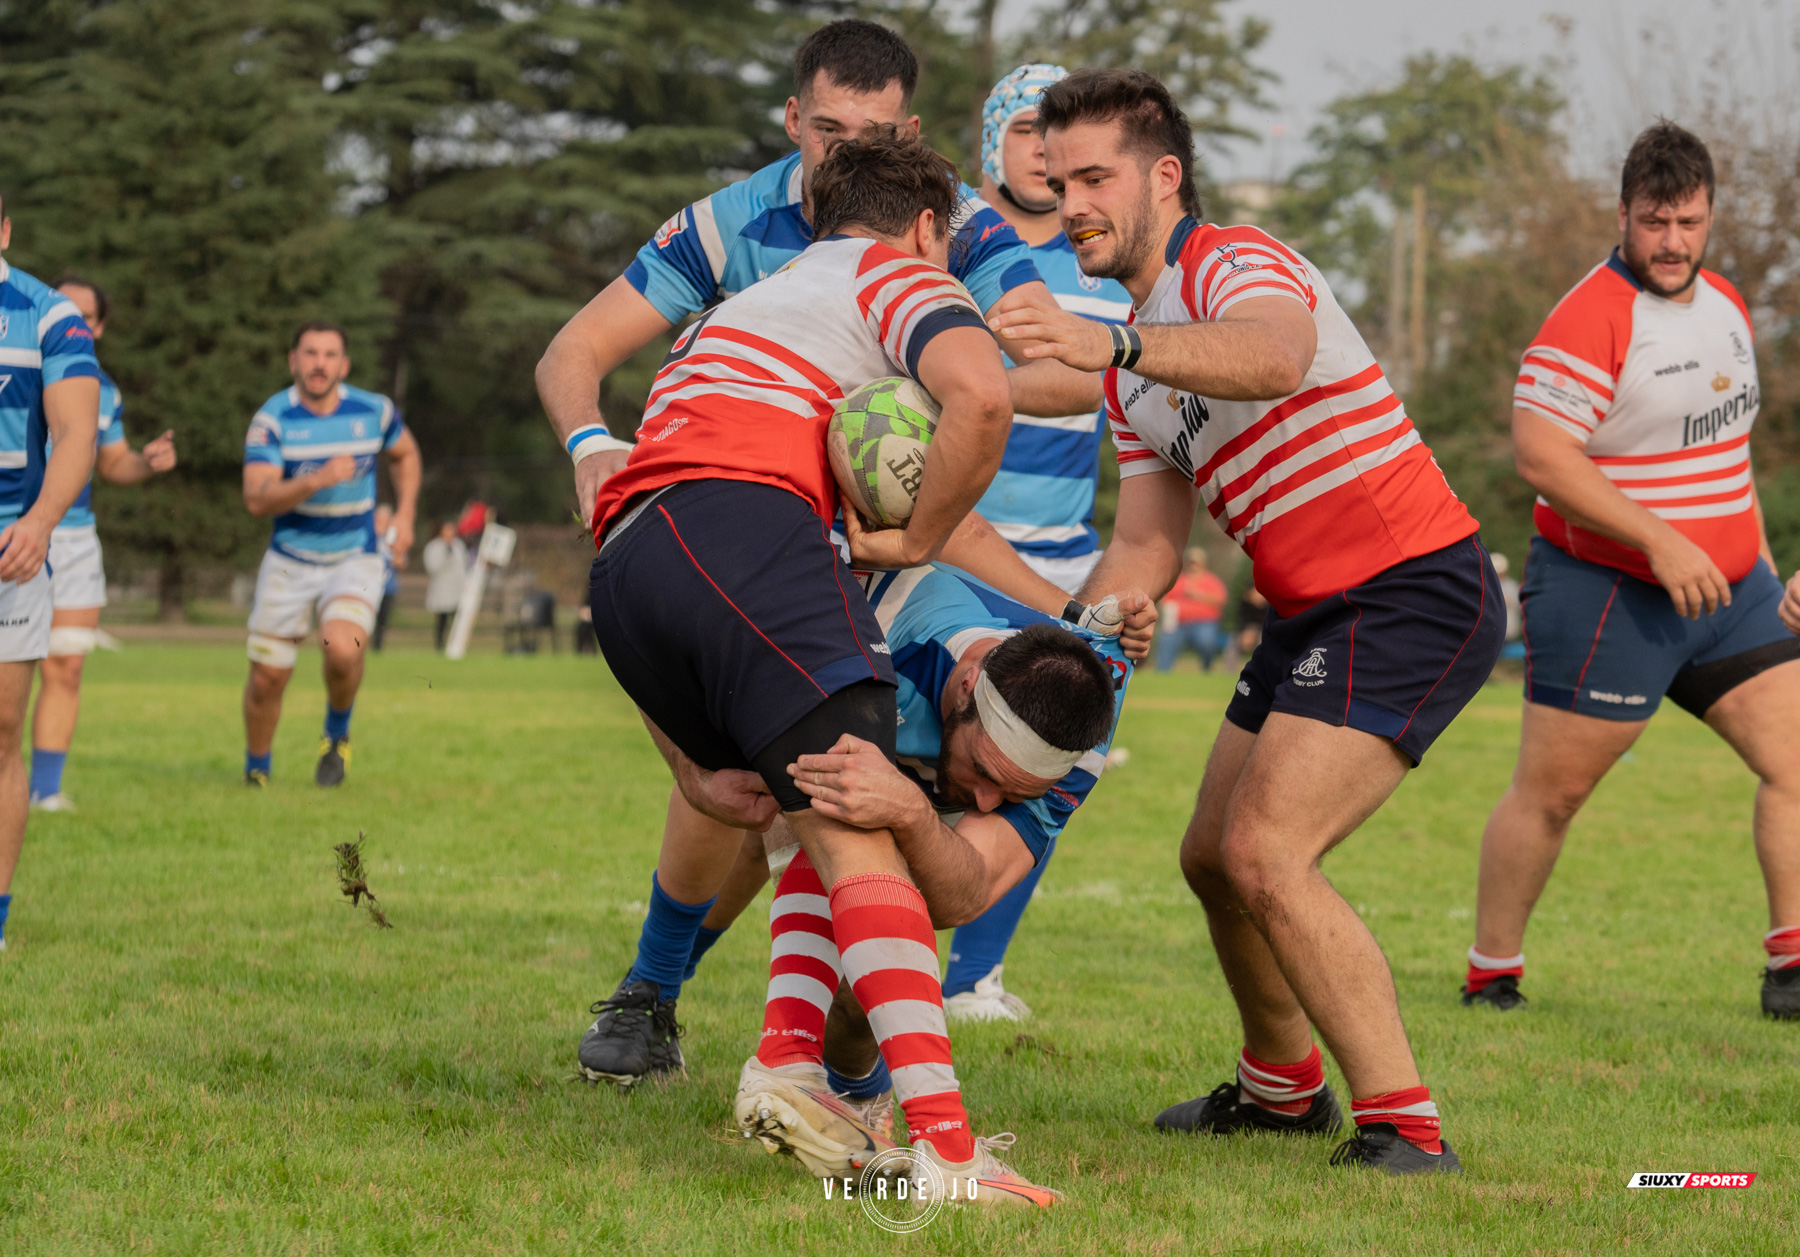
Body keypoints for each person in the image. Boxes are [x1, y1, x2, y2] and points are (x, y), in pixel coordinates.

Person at [539, 18, 1126, 1099]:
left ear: (906, 133)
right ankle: (665, 999)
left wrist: (933, 358)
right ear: (791, 120)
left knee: (851, 786)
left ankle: (831, 1069)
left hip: (884, 536)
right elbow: (575, 350)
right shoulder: (729, 224)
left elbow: (1043, 377)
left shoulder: (949, 233)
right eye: (821, 128)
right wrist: (589, 444)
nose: (835, 150)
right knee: (744, 788)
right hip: (747, 525)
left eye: (866, 130)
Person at [987, 69, 1502, 1175]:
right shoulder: (1133, 375)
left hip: (1415, 585)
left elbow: (1272, 355)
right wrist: (1096, 619)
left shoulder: (1235, 261)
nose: (1071, 200)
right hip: (1315, 611)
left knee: (1268, 851)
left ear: (1164, 177)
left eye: (1095, 176)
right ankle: (1280, 1092)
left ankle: (1407, 1131)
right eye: (1058, 177)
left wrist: (1111, 350)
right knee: (1211, 860)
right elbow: (1147, 547)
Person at [576, 125, 1058, 1204]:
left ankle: (797, 1071)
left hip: (627, 572)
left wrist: (691, 769)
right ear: (929, 227)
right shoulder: (891, 274)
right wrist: (920, 534)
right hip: (744, 530)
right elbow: (983, 397)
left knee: (806, 802)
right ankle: (941, 1152)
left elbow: (649, 530)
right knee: (866, 809)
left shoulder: (746, 305)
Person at [1464, 122, 1800, 1021]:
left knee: (1797, 759)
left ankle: (1791, 970)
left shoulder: (1727, 304)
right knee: (1554, 794)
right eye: (1654, 221)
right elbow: (1541, 455)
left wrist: (1764, 568)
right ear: (1622, 215)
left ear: (1711, 217)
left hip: (1733, 597)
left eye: (1689, 221)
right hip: (1608, 597)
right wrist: (1660, 538)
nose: (1672, 242)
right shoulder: (1589, 318)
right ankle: (1491, 969)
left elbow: (1728, 455)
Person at [734, 565, 1126, 1196]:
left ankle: (824, 1079)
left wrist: (916, 811)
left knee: (869, 944)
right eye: (984, 770)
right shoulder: (883, 623)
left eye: (1015, 793)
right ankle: (666, 1000)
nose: (989, 804)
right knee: (807, 804)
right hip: (780, 649)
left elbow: (963, 895)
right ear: (967, 686)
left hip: (881, 749)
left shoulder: (1082, 742)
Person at [240, 322, 421, 788]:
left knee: (343, 647)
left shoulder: (374, 412)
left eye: (329, 354)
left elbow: (405, 455)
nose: (319, 363)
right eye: (310, 353)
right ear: (293, 361)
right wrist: (315, 479)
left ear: (344, 365)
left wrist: (405, 514)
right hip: (290, 558)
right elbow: (257, 499)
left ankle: (336, 737)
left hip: (354, 557)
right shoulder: (272, 421)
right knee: (267, 679)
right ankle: (256, 771)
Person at [27, 275, 177, 812]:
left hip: (72, 541)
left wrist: (147, 461)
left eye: (85, 315)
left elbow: (113, 462)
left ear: (99, 327)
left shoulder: (104, 388)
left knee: (65, 664)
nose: (72, 320)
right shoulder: (12, 361)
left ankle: (44, 791)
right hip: (12, 533)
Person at [0, 191, 102, 950]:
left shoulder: (49, 317)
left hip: (11, 546)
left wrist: (38, 521)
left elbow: (75, 433)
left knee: (2, 732)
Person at [1156, 548, 1227, 672]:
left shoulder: (1211, 581)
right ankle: (1162, 673)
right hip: (1179, 624)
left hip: (1204, 623)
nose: (1193, 566)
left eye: (1196, 563)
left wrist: (1198, 595)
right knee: (1167, 639)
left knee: (1206, 640)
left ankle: (1207, 669)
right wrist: (1168, 609)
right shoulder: (1179, 580)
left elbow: (1221, 600)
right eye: (1191, 562)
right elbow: (1165, 600)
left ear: (1203, 564)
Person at [423, 521, 466, 652]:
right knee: (441, 620)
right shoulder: (434, 547)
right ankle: (439, 646)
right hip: (441, 589)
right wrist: (446, 556)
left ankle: (453, 646)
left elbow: (463, 566)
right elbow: (432, 567)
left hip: (456, 589)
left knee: (455, 621)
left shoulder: (458, 545)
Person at [370, 503, 399, 652]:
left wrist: (395, 554)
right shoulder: (369, 536)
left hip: (388, 585)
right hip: (369, 585)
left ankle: (377, 648)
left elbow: (401, 561)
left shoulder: (393, 537)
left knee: (382, 620)